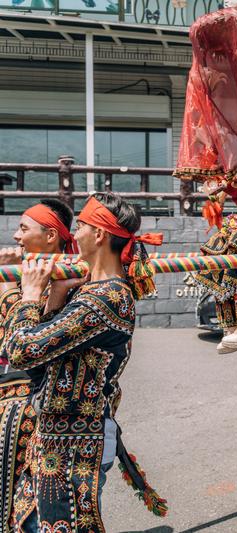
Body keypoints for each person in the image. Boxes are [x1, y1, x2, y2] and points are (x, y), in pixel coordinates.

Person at [0, 193, 167, 531]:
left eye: (81, 227)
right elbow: (39, 365)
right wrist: (58, 295)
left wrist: (29, 295)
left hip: (77, 446)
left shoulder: (106, 299)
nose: (74, 235)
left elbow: (21, 351)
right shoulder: (86, 292)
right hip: (55, 440)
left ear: (100, 235)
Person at [0, 199, 76, 532]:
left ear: (50, 236)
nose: (16, 236)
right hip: (10, 398)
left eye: (23, 228)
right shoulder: (27, 272)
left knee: (27, 504)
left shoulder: (70, 278)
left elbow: (20, 341)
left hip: (33, 405)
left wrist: (7, 287)